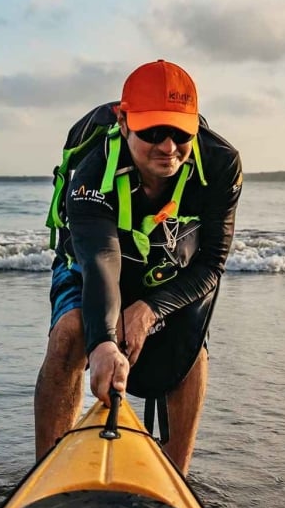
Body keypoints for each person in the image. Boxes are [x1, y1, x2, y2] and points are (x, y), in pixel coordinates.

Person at [35, 60, 241, 477]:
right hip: (91, 259)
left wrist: (149, 309)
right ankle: (45, 473)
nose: (168, 147)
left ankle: (175, 477)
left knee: (191, 352)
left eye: (181, 133)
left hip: (169, 268)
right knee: (72, 331)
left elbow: (211, 264)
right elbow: (101, 261)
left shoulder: (222, 165)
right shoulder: (92, 169)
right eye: (152, 132)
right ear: (125, 122)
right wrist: (104, 343)